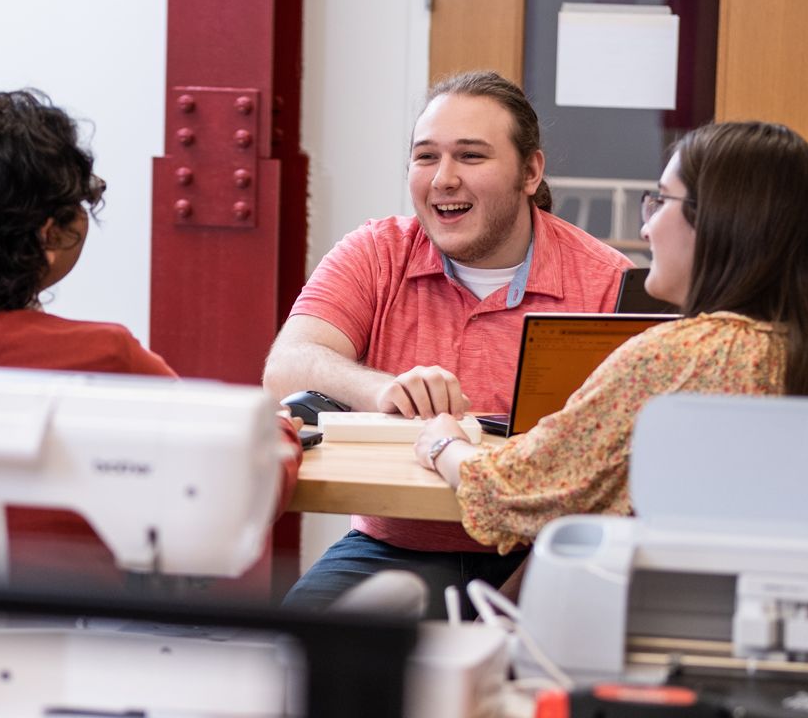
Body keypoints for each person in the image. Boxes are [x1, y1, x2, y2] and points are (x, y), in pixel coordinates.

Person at [0, 89, 302, 586]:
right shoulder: (105, 359)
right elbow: (235, 489)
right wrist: (280, 430)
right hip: (67, 642)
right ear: (48, 235)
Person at [413, 121, 808, 554]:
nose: (649, 227)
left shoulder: (670, 361)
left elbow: (511, 491)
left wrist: (442, 443)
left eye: (659, 201)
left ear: (718, 221)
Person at [263, 71, 633, 616]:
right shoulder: (377, 251)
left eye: (471, 156)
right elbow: (287, 365)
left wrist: (515, 605)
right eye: (426, 157)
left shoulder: (605, 282)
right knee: (291, 662)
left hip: (547, 554)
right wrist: (384, 389)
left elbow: (624, 476)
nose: (443, 179)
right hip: (396, 547)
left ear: (530, 172)